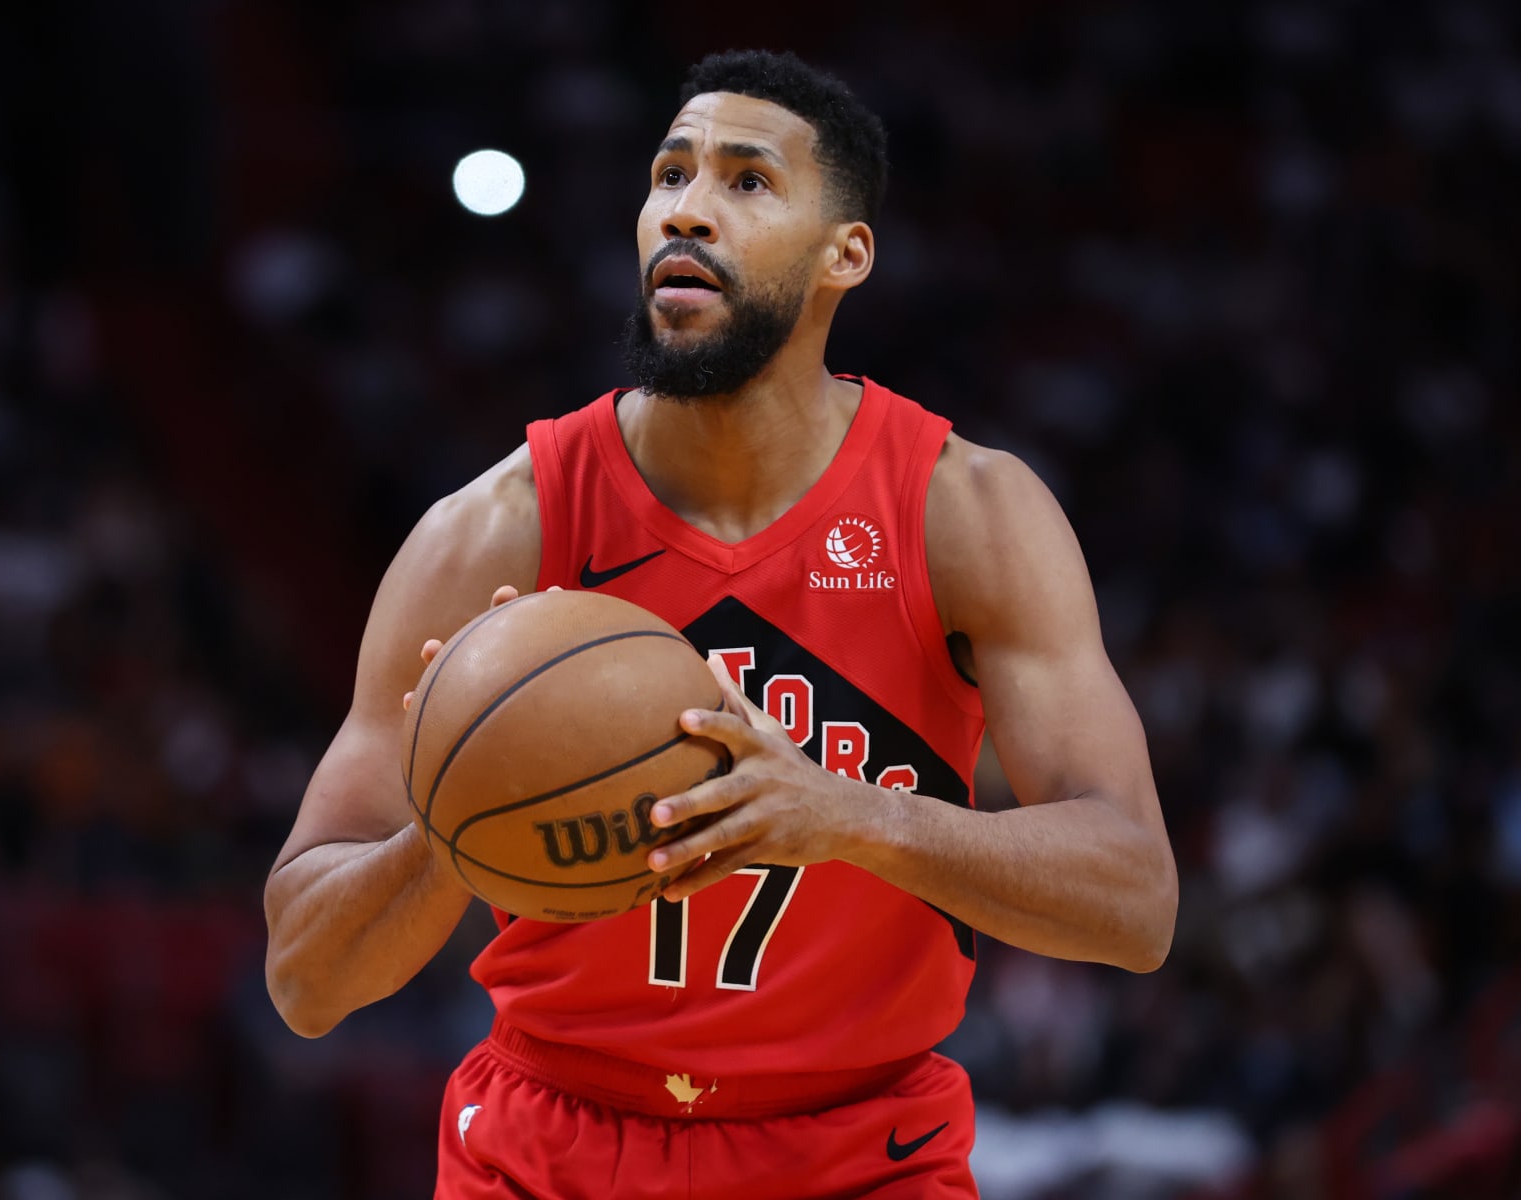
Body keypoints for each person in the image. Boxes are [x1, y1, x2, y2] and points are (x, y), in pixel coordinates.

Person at [264, 49, 1177, 1198]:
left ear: (846, 254)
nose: (686, 209)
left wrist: (849, 818)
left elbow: (1137, 902)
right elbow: (304, 981)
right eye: (669, 173)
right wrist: (449, 823)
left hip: (860, 1151)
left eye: (747, 181)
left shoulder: (964, 513)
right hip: (552, 1148)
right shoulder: (496, 530)